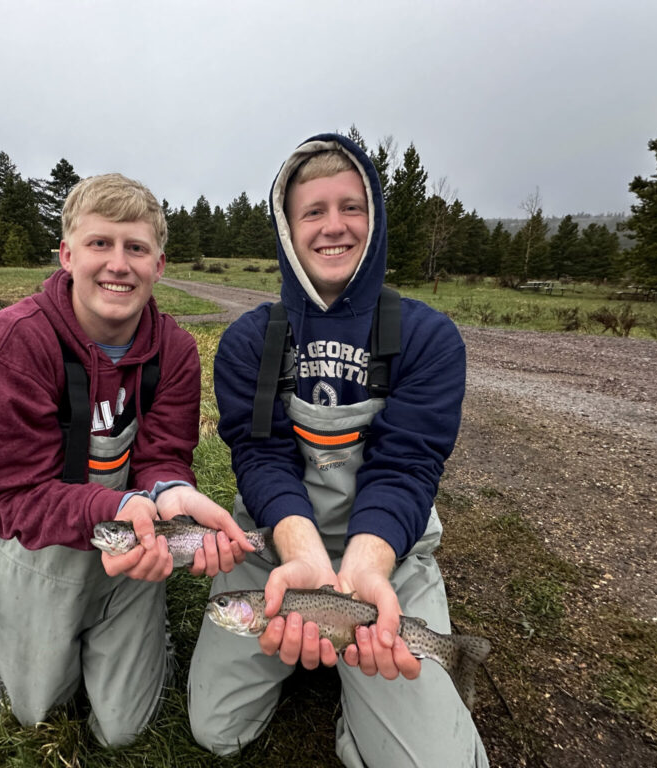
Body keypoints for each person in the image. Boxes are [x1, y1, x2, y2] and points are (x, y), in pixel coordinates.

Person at [187, 134, 488, 767]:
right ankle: (332, 656)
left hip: (385, 558)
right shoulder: (249, 341)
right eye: (313, 211)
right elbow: (260, 456)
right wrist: (300, 557)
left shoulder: (428, 337)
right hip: (275, 550)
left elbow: (407, 467)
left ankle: (361, 697)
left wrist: (367, 569)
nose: (334, 226)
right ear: (287, 229)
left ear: (374, 220)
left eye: (351, 207)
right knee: (218, 733)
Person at [0, 172, 252, 745]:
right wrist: (123, 506)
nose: (118, 264)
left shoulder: (174, 350)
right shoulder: (8, 347)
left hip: (134, 534)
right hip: (39, 545)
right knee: (39, 712)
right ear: (67, 254)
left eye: (136, 248)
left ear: (158, 265)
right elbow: (6, 499)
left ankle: (144, 624)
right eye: (100, 244)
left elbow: (163, 454)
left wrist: (171, 492)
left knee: (123, 731)